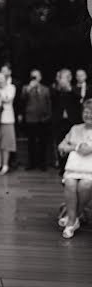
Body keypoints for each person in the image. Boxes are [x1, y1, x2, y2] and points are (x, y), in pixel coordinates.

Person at [58, 99, 92, 239]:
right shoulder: (75, 129)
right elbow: (61, 146)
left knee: (85, 185)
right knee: (70, 183)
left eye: (91, 112)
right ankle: (73, 221)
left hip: (90, 171)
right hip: (74, 168)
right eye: (86, 111)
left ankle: (71, 217)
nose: (88, 114)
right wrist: (77, 147)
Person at [21, 70, 52, 171]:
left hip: (43, 119)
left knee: (43, 142)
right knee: (31, 142)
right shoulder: (26, 88)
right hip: (31, 119)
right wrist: (29, 88)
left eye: (36, 76)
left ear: (40, 77)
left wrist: (48, 116)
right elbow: (22, 99)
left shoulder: (45, 89)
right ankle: (31, 163)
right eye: (32, 76)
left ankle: (42, 164)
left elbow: (49, 104)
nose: (34, 78)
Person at [51, 69, 80, 174]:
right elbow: (52, 98)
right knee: (60, 143)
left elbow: (78, 99)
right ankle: (62, 167)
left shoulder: (75, 89)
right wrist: (59, 85)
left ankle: (70, 166)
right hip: (59, 121)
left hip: (71, 122)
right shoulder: (56, 91)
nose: (63, 79)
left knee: (71, 143)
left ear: (69, 78)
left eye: (65, 77)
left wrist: (68, 88)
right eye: (61, 77)